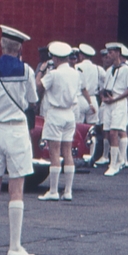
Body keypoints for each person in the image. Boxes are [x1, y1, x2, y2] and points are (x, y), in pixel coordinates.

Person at [0, 25, 39, 255]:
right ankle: (14, 247)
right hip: (16, 130)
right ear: (20, 48)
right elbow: (32, 100)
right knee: (16, 189)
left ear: (0, 45)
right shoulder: (27, 71)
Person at [36, 41, 82, 201]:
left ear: (55, 58)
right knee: (67, 151)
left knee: (54, 152)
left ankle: (54, 191)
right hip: (70, 113)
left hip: (55, 113)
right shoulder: (75, 73)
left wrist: (41, 71)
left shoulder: (54, 74)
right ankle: (68, 191)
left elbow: (38, 86)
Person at [101, 44, 128, 176]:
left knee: (114, 131)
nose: (108, 55)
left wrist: (116, 98)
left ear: (117, 53)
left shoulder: (126, 70)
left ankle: (113, 164)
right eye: (108, 52)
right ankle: (120, 159)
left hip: (119, 102)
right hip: (108, 103)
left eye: (111, 52)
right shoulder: (109, 70)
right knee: (109, 131)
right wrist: (104, 97)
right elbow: (105, 87)